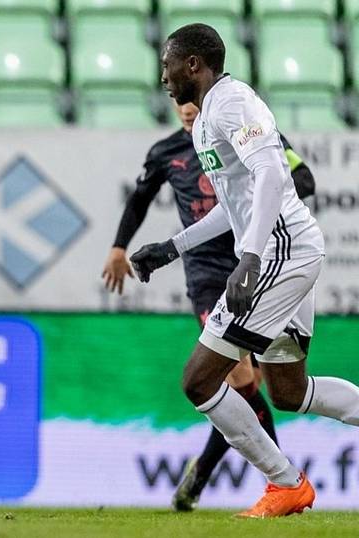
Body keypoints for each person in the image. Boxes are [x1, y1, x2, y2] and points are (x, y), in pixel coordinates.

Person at [130, 23, 359, 518]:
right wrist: (172, 246)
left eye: (168, 62)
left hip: (282, 253)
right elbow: (235, 206)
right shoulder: (209, 116)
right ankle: (286, 484)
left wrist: (251, 259)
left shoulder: (233, 101)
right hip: (287, 251)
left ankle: (285, 484)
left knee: (198, 379)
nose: (163, 74)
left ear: (193, 64)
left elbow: (274, 173)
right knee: (290, 392)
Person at [101, 101, 316, 511]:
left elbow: (301, 177)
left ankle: (242, 476)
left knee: (253, 385)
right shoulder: (167, 152)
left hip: (257, 264)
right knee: (237, 381)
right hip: (205, 275)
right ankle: (273, 478)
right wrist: (118, 247)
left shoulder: (246, 136)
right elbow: (140, 198)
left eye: (191, 100)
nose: (184, 108)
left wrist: (259, 203)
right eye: (177, 102)